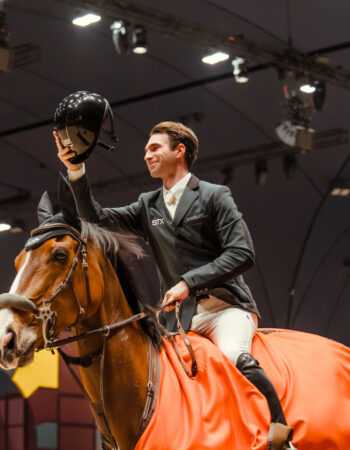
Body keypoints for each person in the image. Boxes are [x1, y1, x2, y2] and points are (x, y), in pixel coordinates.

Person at [55, 119, 293, 440]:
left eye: (154, 148)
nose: (147, 155)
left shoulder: (214, 196)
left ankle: (280, 431)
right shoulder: (147, 205)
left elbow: (242, 254)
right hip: (180, 318)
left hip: (225, 309)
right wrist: (76, 170)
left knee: (234, 356)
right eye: (146, 150)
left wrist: (188, 282)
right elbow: (94, 218)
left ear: (179, 151)